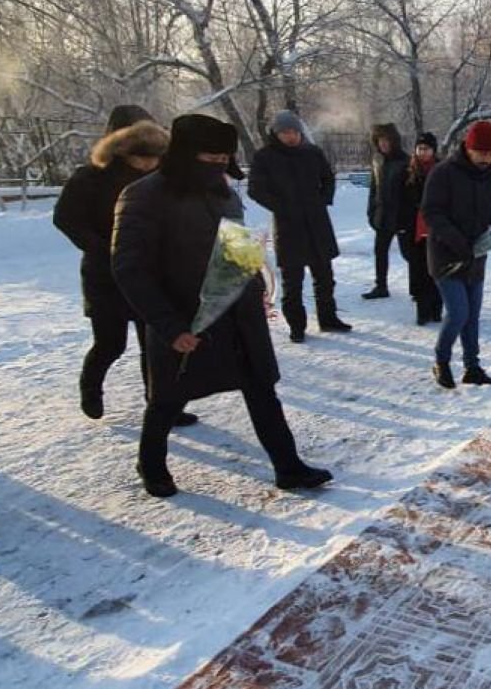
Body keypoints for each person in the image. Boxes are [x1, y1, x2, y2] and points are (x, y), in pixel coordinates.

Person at [112, 114, 333, 498]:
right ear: (184, 154)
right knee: (167, 398)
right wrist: (169, 326)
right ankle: (151, 465)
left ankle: (288, 466)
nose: (218, 168)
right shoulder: (143, 195)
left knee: (261, 388)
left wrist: (253, 280)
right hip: (185, 318)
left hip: (239, 314)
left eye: (223, 160)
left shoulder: (224, 192)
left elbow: (235, 246)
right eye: (209, 159)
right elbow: (129, 268)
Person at [53, 105, 197, 426]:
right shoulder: (90, 176)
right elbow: (66, 218)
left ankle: (161, 404)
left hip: (151, 275)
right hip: (105, 276)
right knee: (110, 343)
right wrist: (106, 249)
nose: (147, 161)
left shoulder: (163, 176)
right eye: (139, 153)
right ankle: (91, 388)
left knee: (156, 345)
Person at [247, 110, 349, 343]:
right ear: (277, 134)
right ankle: (297, 326)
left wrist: (323, 199)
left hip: (316, 222)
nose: (291, 136)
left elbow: (328, 178)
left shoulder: (312, 153)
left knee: (325, 276)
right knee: (293, 281)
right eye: (285, 133)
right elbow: (255, 189)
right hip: (288, 226)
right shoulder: (265, 157)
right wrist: (280, 206)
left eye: (294, 132)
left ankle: (328, 318)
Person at [422, 121, 491, 389]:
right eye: (482, 152)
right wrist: (458, 242)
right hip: (446, 256)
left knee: (473, 315)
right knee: (458, 313)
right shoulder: (443, 173)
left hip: (476, 256)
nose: (487, 158)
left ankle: (472, 367)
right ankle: (441, 361)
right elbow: (431, 212)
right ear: (468, 148)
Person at [401, 132, 442, 325]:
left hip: (438, 228)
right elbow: (399, 200)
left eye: (426, 148)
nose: (422, 152)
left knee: (437, 270)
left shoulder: (442, 170)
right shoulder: (408, 171)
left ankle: (436, 309)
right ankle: (422, 311)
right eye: (420, 148)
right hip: (415, 228)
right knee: (418, 270)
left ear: (433, 150)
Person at [363, 123, 408, 300]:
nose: (383, 144)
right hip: (382, 214)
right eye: (380, 140)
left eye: (386, 140)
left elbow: (410, 191)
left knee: (409, 254)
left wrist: (407, 216)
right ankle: (381, 285)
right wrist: (371, 212)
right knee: (380, 251)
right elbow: (374, 189)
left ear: (393, 141)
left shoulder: (405, 161)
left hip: (402, 215)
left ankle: (420, 287)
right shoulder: (377, 160)